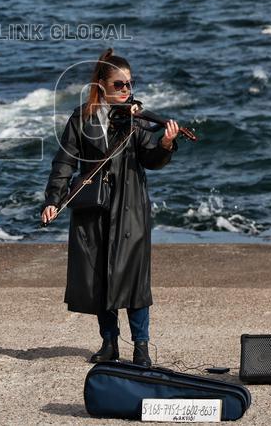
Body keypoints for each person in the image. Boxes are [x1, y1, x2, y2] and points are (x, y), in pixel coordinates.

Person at [41, 47, 180, 366]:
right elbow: (64, 162)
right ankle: (109, 343)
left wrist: (165, 144)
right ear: (101, 85)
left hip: (130, 207)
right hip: (93, 207)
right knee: (100, 277)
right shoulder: (82, 118)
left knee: (134, 278)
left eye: (130, 84)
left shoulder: (137, 118)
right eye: (120, 85)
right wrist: (53, 199)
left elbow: (151, 159)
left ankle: (141, 347)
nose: (127, 91)